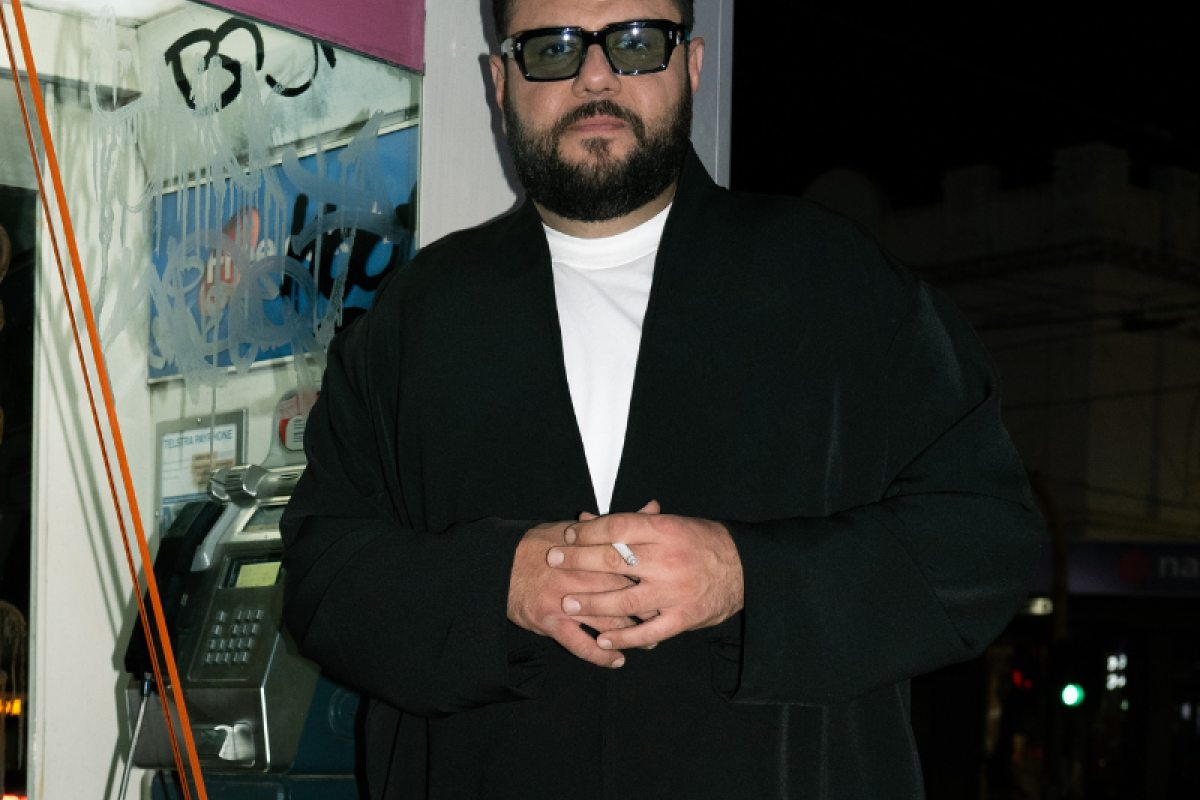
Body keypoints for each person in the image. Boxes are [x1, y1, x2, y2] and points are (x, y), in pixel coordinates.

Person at [280, 0, 1045, 796]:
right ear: (500, 84)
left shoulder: (836, 282)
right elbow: (322, 577)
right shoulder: (414, 320)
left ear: (693, 66)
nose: (597, 76)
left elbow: (985, 538)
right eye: (554, 49)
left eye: (639, 42)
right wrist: (495, 581)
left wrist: (746, 575)